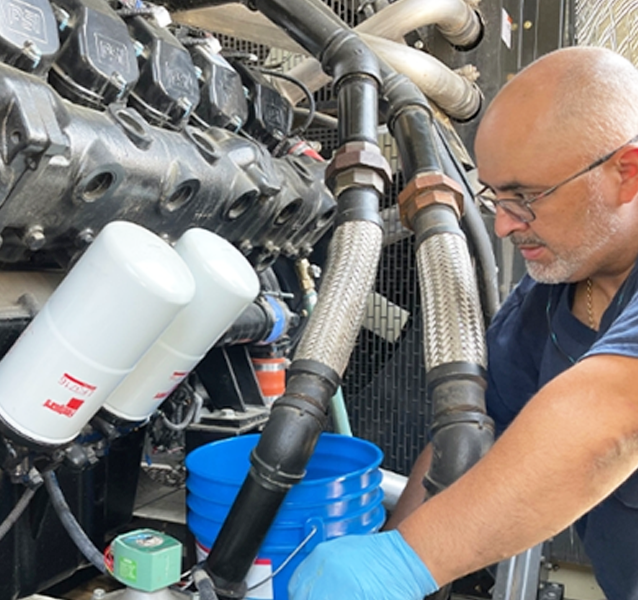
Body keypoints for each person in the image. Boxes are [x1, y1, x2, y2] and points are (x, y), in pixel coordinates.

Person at [287, 45, 638, 600]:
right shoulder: (550, 298)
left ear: (628, 173)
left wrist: (404, 563)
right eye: (495, 197)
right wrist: (395, 549)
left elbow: (613, 419)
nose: (502, 226)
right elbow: (473, 428)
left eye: (525, 197)